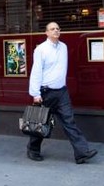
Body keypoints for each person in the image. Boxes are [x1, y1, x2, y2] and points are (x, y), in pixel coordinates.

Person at [27, 22, 98, 164]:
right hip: (45, 92)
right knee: (41, 122)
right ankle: (33, 150)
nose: (56, 31)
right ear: (46, 33)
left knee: (69, 121)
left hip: (61, 92)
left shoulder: (63, 47)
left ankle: (81, 153)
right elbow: (36, 72)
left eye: (58, 29)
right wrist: (36, 94)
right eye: (52, 29)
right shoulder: (41, 49)